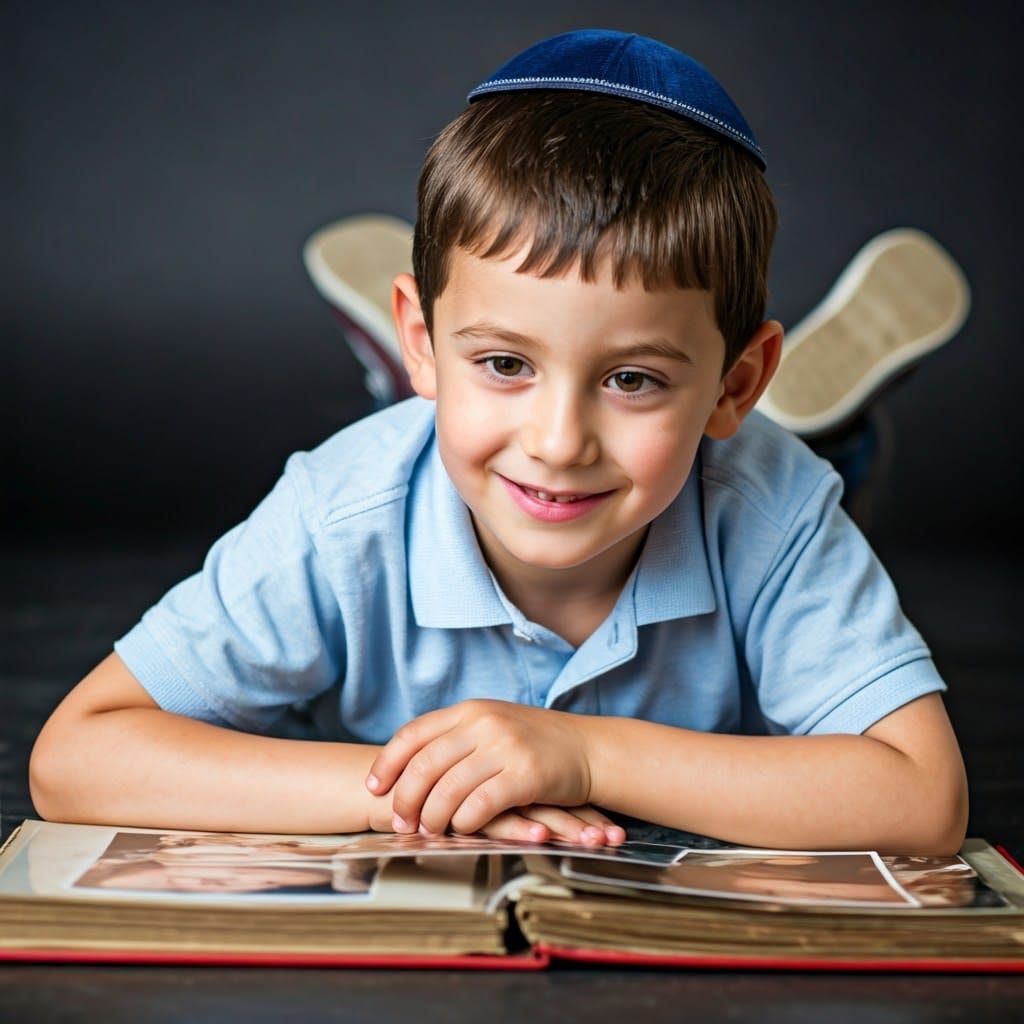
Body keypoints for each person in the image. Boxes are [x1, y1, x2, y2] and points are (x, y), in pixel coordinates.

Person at [29, 29, 967, 855]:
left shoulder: (772, 506)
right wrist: (418, 797)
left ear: (736, 383)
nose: (559, 443)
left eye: (631, 378)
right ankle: (512, 375)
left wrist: (579, 754)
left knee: (804, 455)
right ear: (422, 337)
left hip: (749, 455)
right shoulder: (345, 508)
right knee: (455, 435)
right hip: (511, 410)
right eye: (507, 363)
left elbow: (922, 799)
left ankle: (796, 415)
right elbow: (74, 756)